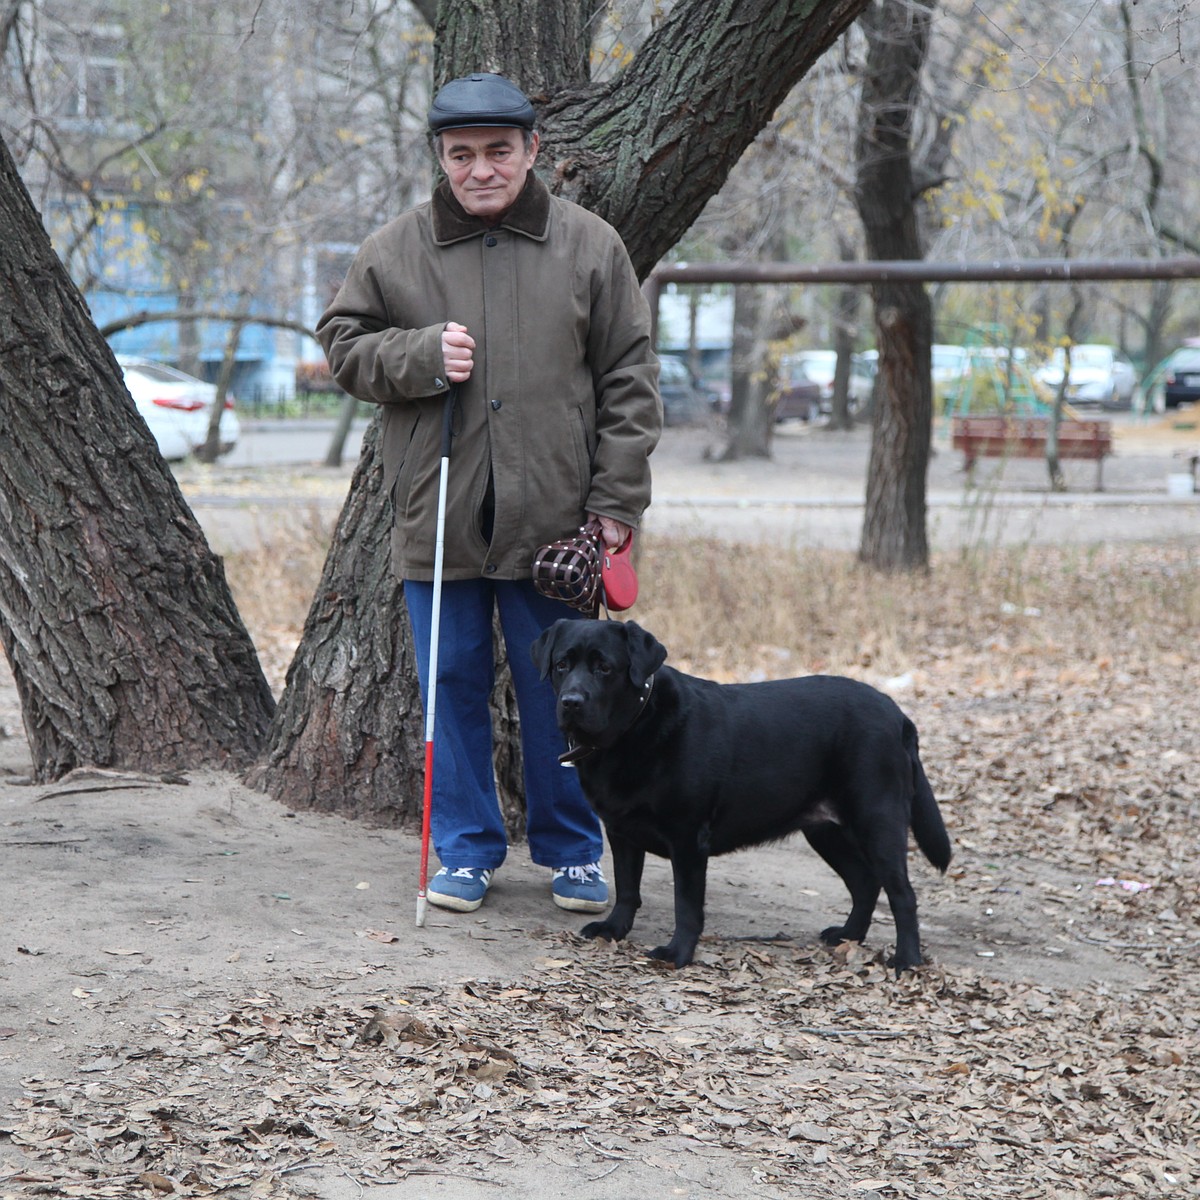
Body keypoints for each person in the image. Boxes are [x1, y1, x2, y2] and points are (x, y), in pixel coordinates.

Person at [315, 73, 662, 916]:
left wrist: (615, 506)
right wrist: (420, 356)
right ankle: (465, 849)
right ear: (440, 156)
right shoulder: (394, 250)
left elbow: (631, 378)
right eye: (461, 154)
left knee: (572, 694)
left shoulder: (591, 246)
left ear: (533, 151)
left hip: (560, 523)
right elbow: (343, 348)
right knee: (454, 684)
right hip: (440, 517)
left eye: (498, 151)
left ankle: (576, 848)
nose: (480, 170)